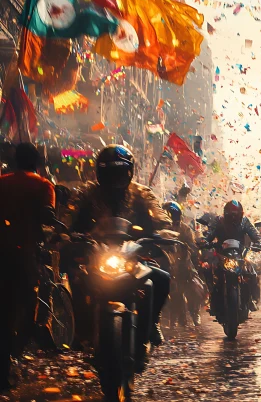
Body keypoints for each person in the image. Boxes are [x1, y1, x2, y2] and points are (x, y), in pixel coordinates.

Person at [65, 145, 173, 348]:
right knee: (75, 278)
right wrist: (63, 231)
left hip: (132, 251)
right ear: (99, 172)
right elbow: (69, 213)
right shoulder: (87, 192)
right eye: (109, 172)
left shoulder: (142, 193)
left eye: (120, 172)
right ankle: (80, 328)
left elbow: (160, 216)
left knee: (161, 278)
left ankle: (151, 323)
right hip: (96, 250)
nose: (115, 177)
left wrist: (163, 231)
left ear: (130, 172)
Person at [0, 143, 56, 391]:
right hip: (24, 256)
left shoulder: (2, 182)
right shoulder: (44, 185)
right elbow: (48, 217)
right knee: (31, 303)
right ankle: (28, 338)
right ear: (36, 162)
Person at [204, 200, 261, 313]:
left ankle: (252, 300)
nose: (233, 218)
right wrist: (205, 240)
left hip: (240, 255)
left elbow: (254, 234)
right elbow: (210, 233)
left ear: (240, 214)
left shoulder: (245, 222)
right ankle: (212, 299)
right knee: (209, 271)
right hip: (222, 255)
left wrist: (259, 243)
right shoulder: (218, 221)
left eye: (236, 215)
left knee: (252, 274)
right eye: (231, 215)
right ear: (226, 214)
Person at [162, 201, 203, 327]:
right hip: (165, 260)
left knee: (193, 288)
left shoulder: (185, 229)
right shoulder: (162, 228)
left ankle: (194, 311)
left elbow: (192, 245)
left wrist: (187, 250)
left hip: (182, 263)